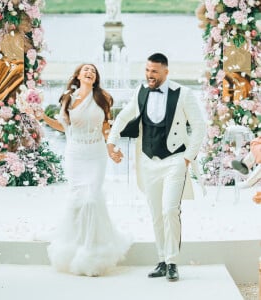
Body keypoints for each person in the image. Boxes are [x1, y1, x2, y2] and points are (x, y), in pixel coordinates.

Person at [107, 53, 206, 281]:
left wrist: (187, 157)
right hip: (147, 161)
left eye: (154, 71)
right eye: (147, 70)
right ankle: (162, 260)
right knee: (155, 214)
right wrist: (111, 142)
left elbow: (199, 126)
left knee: (170, 210)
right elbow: (122, 117)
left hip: (175, 160)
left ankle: (172, 262)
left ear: (166, 72)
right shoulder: (141, 91)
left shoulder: (184, 94)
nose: (149, 75)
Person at [40, 63, 131, 276]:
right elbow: (64, 127)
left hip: (96, 154)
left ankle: (91, 251)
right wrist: (42, 118)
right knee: (75, 200)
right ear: (78, 75)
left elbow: (106, 128)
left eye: (93, 71)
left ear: (95, 77)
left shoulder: (103, 97)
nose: (89, 72)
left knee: (91, 198)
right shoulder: (67, 99)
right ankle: (72, 246)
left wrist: (113, 150)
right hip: (75, 155)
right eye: (85, 70)